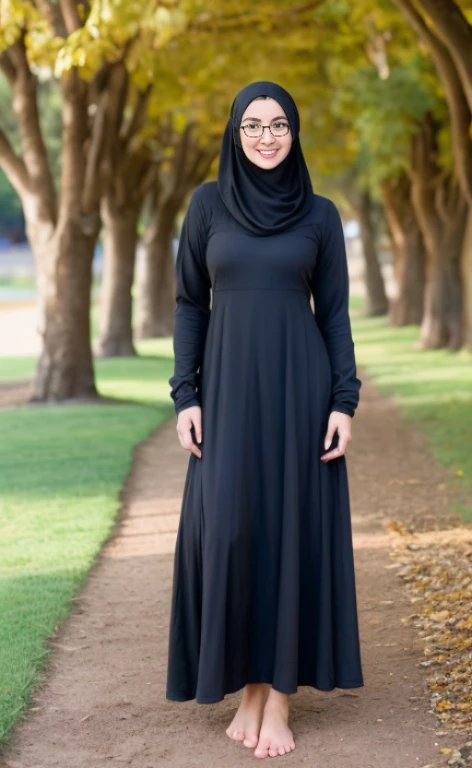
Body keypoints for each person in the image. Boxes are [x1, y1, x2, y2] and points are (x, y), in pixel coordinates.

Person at [166, 80, 364, 760]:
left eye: (279, 124)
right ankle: (249, 687)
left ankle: (276, 700)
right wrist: (185, 395)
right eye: (253, 124)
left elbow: (334, 313)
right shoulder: (206, 205)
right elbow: (191, 302)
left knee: (289, 533)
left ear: (294, 131)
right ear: (235, 132)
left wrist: (344, 401)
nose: (267, 135)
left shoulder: (320, 214)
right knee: (231, 531)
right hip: (225, 394)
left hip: (299, 393)